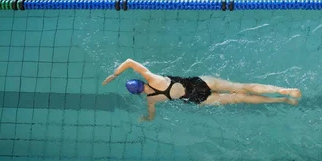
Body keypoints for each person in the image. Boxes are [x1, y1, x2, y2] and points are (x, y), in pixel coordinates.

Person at [102, 59, 302, 120]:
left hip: (199, 99)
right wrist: (115, 74)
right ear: (140, 82)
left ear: (138, 93)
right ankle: (285, 91)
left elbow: (151, 117)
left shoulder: (151, 100)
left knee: (241, 98)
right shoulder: (152, 78)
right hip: (200, 83)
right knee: (241, 87)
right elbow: (129, 62)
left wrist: (144, 119)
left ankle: (282, 101)